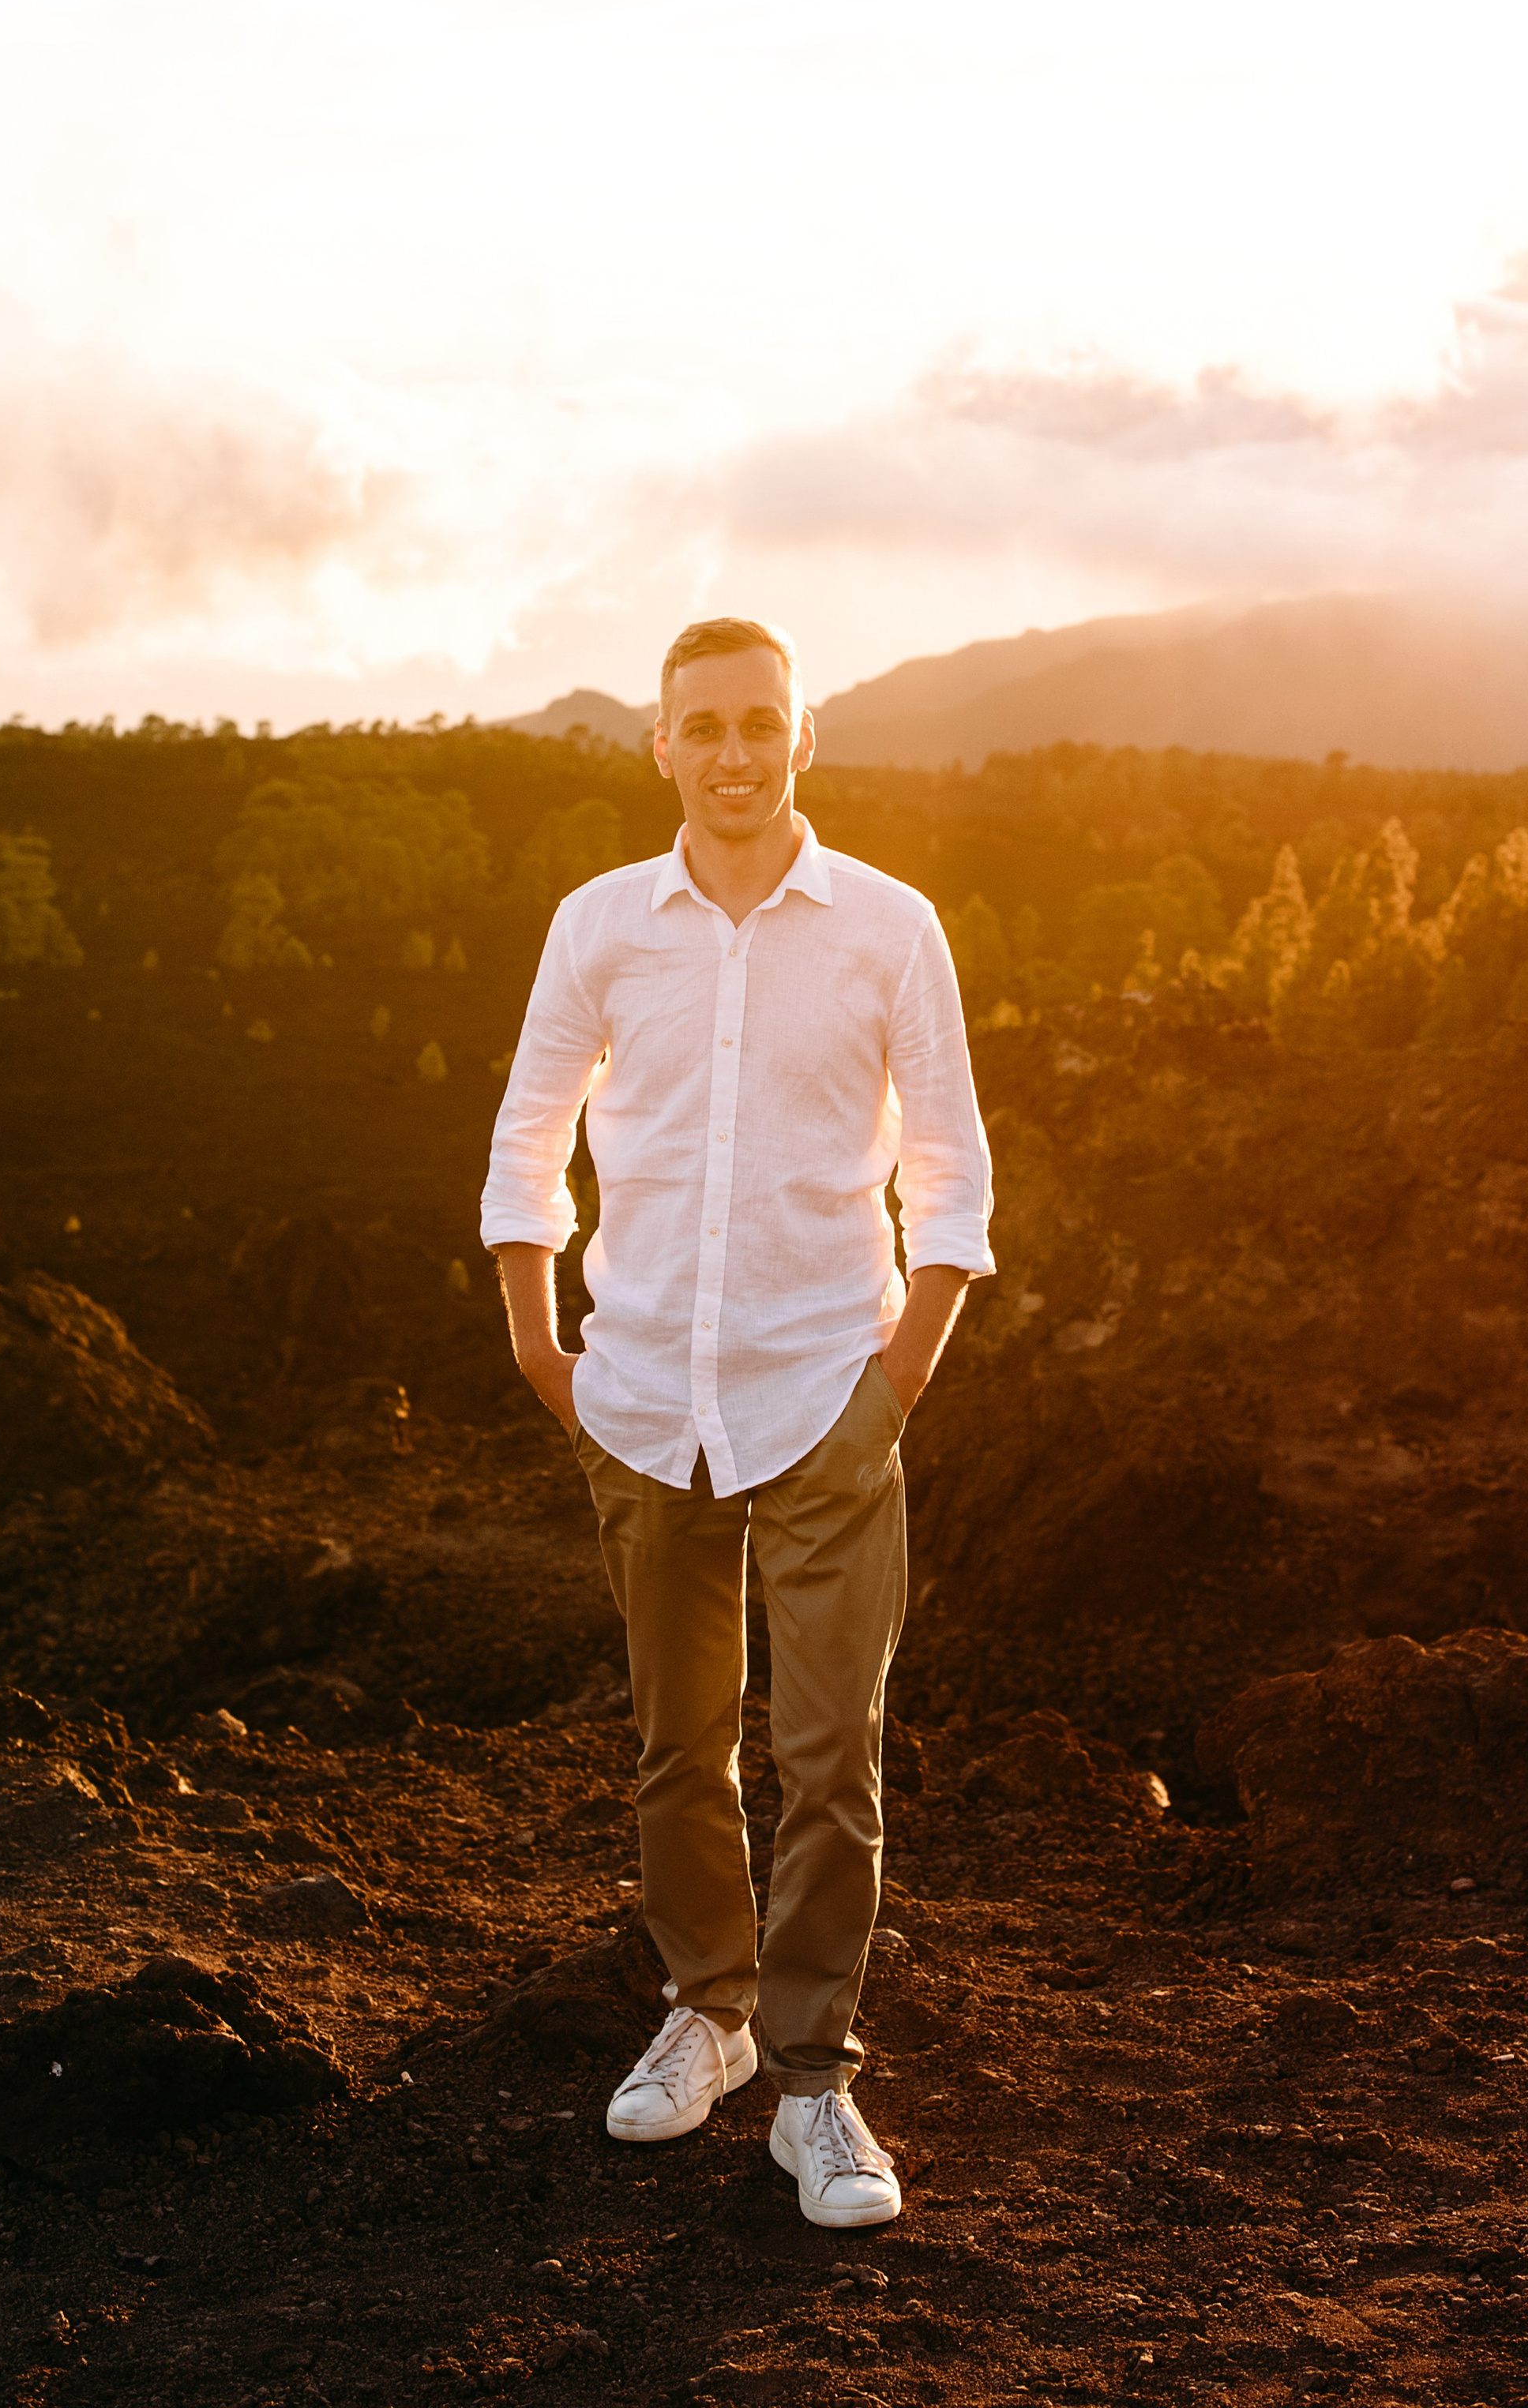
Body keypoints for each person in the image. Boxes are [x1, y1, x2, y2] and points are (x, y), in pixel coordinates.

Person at [481, 614, 994, 2230]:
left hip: (827, 1389)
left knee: (828, 1753)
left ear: (801, 736)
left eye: (757, 722)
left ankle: (814, 2083)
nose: (729, 752)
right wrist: (537, 1346)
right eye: (698, 725)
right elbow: (525, 1140)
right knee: (675, 1746)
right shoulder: (599, 925)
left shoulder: (890, 928)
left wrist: (894, 1379)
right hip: (638, 1397)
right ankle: (703, 2013)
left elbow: (955, 1177)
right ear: (659, 745)